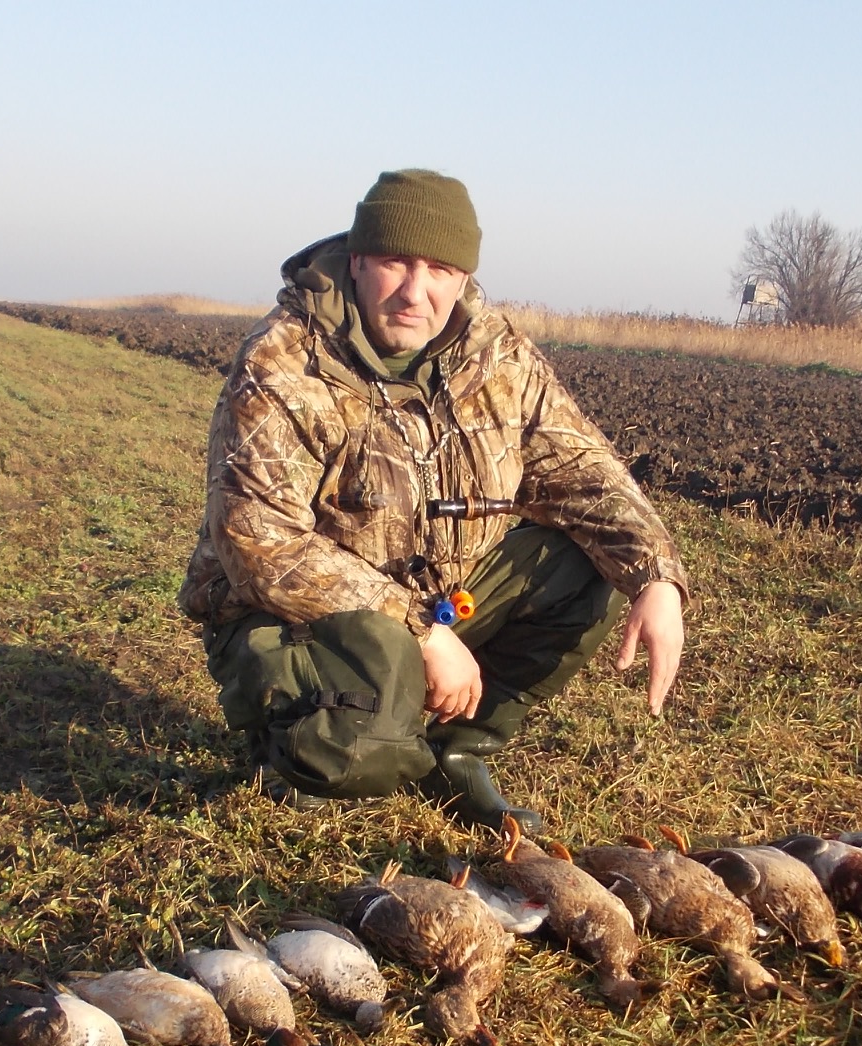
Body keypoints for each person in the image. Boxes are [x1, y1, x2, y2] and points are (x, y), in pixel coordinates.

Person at [177, 169, 688, 832]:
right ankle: (293, 750)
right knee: (367, 731)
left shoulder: (497, 355)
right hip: (293, 616)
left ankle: (457, 751)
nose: (416, 292)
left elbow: (583, 468)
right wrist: (422, 629)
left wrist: (656, 576)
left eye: (441, 270)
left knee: (583, 566)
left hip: (441, 598)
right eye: (396, 262)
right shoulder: (283, 362)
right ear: (358, 261)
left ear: (464, 276)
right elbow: (261, 547)